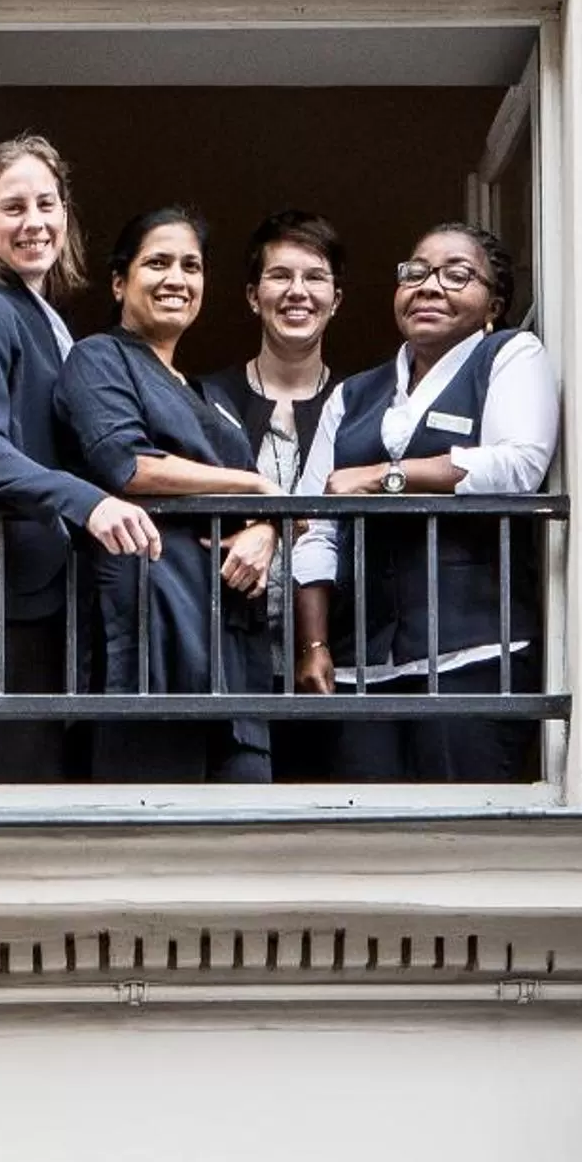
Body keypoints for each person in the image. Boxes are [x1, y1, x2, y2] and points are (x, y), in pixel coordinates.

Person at [289, 222, 559, 783]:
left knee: (462, 837)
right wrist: (313, 642)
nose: (429, 286)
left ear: (494, 303)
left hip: (475, 656)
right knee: (365, 843)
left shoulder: (508, 355)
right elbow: (314, 523)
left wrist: (384, 477)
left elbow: (516, 465)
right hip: (362, 664)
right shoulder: (354, 395)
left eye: (457, 275)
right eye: (415, 272)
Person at [0, 134, 160, 782]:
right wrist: (87, 503)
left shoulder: (47, 319)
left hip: (54, 595)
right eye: (12, 208)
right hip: (5, 600)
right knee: (18, 780)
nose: (33, 222)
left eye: (46, 203)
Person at [53, 208, 278, 784]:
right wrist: (255, 487)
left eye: (191, 266)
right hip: (153, 607)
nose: (177, 278)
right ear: (119, 281)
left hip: (230, 628)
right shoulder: (99, 358)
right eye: (158, 263)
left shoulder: (205, 396)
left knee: (246, 820)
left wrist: (266, 527)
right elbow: (127, 464)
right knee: (155, 815)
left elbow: (256, 499)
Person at [198, 210, 346, 777]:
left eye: (315, 276)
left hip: (338, 654)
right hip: (231, 654)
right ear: (251, 295)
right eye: (280, 276)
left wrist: (275, 523)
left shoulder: (363, 406)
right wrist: (281, 520)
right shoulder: (205, 398)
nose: (297, 291)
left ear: (338, 299)